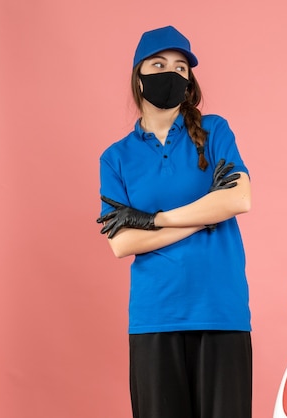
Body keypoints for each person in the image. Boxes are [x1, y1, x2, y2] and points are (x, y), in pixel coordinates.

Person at [96, 25, 252, 418]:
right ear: (139, 74)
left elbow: (239, 198)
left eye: (182, 67)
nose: (172, 72)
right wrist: (206, 214)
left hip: (221, 309)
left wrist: (154, 220)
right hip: (155, 316)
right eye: (160, 64)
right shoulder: (115, 158)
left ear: (189, 81)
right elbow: (122, 243)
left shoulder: (214, 131)